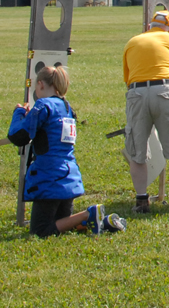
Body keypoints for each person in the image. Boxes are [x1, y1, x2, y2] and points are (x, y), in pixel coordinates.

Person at [8, 66, 126, 237]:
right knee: (60, 226)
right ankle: (102, 222)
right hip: (69, 179)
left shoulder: (43, 105)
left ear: (40, 84)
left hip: (49, 179)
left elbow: (18, 136)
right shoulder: (66, 107)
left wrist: (19, 113)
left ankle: (88, 214)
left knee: (40, 231)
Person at [122, 10, 169, 214]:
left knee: (138, 152)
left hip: (136, 92)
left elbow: (127, 76)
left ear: (149, 26)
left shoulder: (132, 41)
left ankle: (141, 200)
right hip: (165, 90)